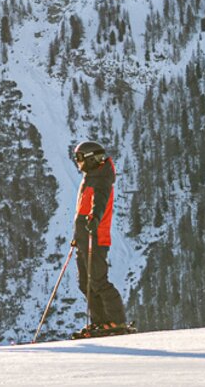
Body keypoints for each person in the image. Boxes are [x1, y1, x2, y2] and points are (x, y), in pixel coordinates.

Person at [70, 140, 132, 338]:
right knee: (85, 283)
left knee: (97, 281)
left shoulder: (102, 179)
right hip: (84, 237)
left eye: (80, 159)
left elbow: (100, 201)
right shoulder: (90, 176)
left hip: (95, 237)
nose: (78, 163)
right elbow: (82, 209)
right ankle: (101, 322)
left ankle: (117, 321)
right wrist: (76, 236)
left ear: (90, 159)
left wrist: (95, 218)